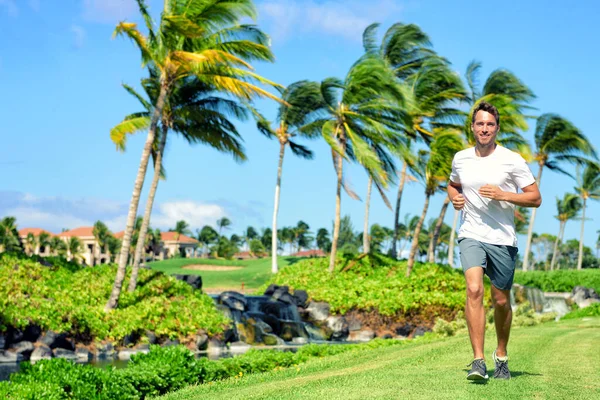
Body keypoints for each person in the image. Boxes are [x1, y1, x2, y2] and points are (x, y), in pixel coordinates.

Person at [447, 101, 541, 381]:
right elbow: (453, 184)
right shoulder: (461, 158)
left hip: (502, 238)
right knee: (474, 289)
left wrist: (504, 195)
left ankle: (501, 355)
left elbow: (535, 198)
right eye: (480, 123)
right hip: (471, 234)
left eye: (490, 124)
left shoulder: (512, 160)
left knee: (501, 301)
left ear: (497, 128)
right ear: (473, 127)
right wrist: (455, 197)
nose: (484, 128)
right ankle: (478, 361)